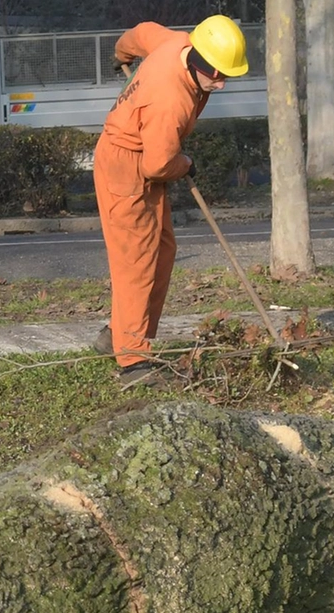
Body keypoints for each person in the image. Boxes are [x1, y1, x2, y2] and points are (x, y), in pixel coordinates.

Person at [93, 15, 249, 380]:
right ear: (198, 60)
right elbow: (158, 163)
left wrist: (121, 53)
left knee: (161, 251)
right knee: (137, 261)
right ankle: (133, 361)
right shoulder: (171, 98)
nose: (222, 83)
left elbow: (143, 32)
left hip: (141, 159)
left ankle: (117, 334)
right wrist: (186, 164)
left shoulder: (176, 43)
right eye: (218, 74)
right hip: (127, 166)